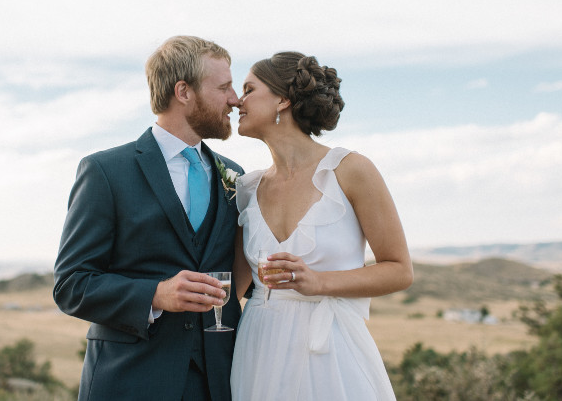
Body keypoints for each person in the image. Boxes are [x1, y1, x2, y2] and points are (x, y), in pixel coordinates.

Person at [53, 36, 244, 401]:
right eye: (223, 87)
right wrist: (156, 294)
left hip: (217, 382)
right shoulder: (106, 171)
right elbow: (71, 285)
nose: (234, 99)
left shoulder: (234, 176)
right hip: (131, 380)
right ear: (183, 91)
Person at [229, 52, 413, 400]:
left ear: (282, 99)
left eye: (249, 89)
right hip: (258, 347)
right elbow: (236, 285)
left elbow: (399, 270)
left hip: (330, 350)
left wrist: (319, 282)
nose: (238, 100)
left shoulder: (349, 170)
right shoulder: (248, 189)